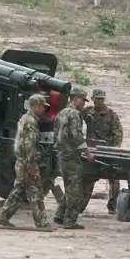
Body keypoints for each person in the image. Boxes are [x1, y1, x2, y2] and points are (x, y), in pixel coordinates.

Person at [0, 94, 51, 228]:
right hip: (27, 162)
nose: (44, 109)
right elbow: (29, 144)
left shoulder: (24, 118)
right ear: (36, 106)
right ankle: (41, 222)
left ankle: (3, 217)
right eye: (43, 106)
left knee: (18, 190)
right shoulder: (31, 121)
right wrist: (32, 164)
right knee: (36, 191)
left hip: (21, 161)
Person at [54, 86, 93, 230]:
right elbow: (77, 135)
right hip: (71, 156)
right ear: (75, 99)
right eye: (82, 100)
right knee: (75, 190)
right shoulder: (75, 114)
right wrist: (87, 152)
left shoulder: (61, 113)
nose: (84, 103)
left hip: (62, 154)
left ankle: (59, 215)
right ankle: (70, 221)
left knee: (70, 186)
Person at [81, 88, 124, 214]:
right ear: (93, 99)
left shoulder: (111, 114)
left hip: (107, 149)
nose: (99, 101)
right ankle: (80, 205)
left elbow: (118, 133)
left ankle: (112, 206)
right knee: (88, 178)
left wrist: (114, 150)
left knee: (114, 179)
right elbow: (76, 116)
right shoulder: (88, 111)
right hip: (92, 149)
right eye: (97, 99)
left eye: (101, 99)